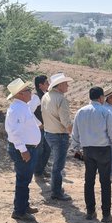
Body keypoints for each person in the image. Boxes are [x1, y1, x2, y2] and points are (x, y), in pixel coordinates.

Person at [71, 87, 112, 223]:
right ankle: (106, 215)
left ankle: (90, 212)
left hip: (87, 150)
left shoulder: (80, 112)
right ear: (101, 98)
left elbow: (75, 133)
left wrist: (75, 148)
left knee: (89, 181)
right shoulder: (105, 112)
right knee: (105, 182)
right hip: (103, 150)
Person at [5, 78, 41, 221]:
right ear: (20, 94)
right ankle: (19, 211)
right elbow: (14, 132)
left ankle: (23, 206)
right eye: (28, 90)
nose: (30, 92)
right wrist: (23, 149)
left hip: (26, 148)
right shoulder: (18, 109)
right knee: (23, 180)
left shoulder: (21, 107)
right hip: (24, 149)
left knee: (25, 179)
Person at [41, 72, 73, 201]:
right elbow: (66, 122)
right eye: (65, 84)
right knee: (58, 166)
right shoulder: (61, 99)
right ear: (59, 86)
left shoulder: (45, 96)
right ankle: (56, 192)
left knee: (56, 164)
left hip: (49, 133)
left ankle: (56, 188)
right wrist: (74, 134)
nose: (67, 86)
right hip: (59, 135)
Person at [27, 75, 51, 180]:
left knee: (47, 149)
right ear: (40, 85)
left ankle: (40, 170)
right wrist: (39, 124)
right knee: (40, 150)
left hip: (46, 128)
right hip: (39, 128)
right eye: (46, 83)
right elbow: (29, 112)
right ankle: (38, 172)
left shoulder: (45, 95)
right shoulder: (36, 97)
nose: (48, 85)